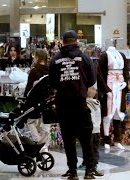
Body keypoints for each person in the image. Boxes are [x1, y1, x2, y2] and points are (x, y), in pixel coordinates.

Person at [49, 30, 103, 179]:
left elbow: (52, 83)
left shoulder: (55, 59)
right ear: (76, 41)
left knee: (68, 140)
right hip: (81, 104)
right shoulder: (85, 58)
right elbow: (92, 81)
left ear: (63, 42)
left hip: (63, 105)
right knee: (86, 138)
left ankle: (72, 171)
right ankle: (89, 170)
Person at [98, 46, 129, 150]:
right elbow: (100, 74)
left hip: (119, 86)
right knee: (107, 113)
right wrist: (106, 89)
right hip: (109, 86)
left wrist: (125, 82)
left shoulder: (122, 56)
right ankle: (106, 139)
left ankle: (117, 139)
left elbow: (125, 70)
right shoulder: (104, 56)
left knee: (118, 112)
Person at [23, 49, 51, 152]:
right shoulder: (50, 70)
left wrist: (25, 98)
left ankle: (37, 141)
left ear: (38, 58)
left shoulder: (34, 71)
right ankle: (45, 147)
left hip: (34, 102)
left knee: (30, 122)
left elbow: (29, 88)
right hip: (47, 101)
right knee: (45, 124)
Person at [78, 85, 102, 173]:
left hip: (89, 130)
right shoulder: (97, 103)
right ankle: (94, 164)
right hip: (97, 130)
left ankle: (87, 163)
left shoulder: (86, 104)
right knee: (95, 148)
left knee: (87, 148)